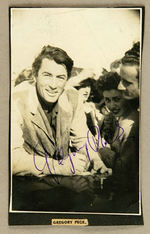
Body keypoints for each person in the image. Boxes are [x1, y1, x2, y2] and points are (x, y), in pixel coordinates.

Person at [12, 45, 110, 179]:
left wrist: (95, 159)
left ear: (67, 79)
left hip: (61, 180)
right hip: (26, 183)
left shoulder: (72, 97)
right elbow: (11, 158)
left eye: (60, 77)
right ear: (35, 76)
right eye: (47, 75)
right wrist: (58, 166)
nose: (53, 85)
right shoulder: (15, 100)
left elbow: (81, 138)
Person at [97, 71, 139, 202]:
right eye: (107, 100)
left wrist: (103, 151)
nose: (111, 106)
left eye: (116, 99)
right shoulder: (116, 120)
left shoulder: (131, 123)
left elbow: (125, 169)